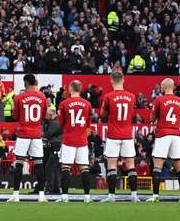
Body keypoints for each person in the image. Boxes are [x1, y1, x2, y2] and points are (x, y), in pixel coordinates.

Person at [7, 74, 49, 202]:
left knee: (19, 163)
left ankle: (16, 194)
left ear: (25, 82)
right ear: (35, 82)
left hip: (23, 133)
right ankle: (42, 195)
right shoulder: (42, 97)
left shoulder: (19, 97)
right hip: (36, 134)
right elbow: (44, 117)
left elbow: (15, 116)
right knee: (39, 164)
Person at [99, 70, 137, 202]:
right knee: (131, 165)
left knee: (112, 165)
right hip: (127, 134)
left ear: (111, 80)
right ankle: (134, 195)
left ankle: (111, 196)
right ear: (123, 80)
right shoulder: (131, 96)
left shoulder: (108, 97)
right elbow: (131, 114)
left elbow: (102, 115)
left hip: (113, 135)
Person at [149, 78, 180, 203]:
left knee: (157, 166)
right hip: (176, 134)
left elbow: (152, 118)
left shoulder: (159, 99)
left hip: (163, 133)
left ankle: (155, 196)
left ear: (164, 87)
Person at [56, 80, 93, 203]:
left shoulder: (64, 103)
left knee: (66, 167)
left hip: (68, 139)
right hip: (82, 140)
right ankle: (87, 197)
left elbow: (60, 123)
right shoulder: (87, 104)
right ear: (80, 89)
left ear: (71, 89)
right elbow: (88, 124)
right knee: (84, 168)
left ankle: (65, 197)